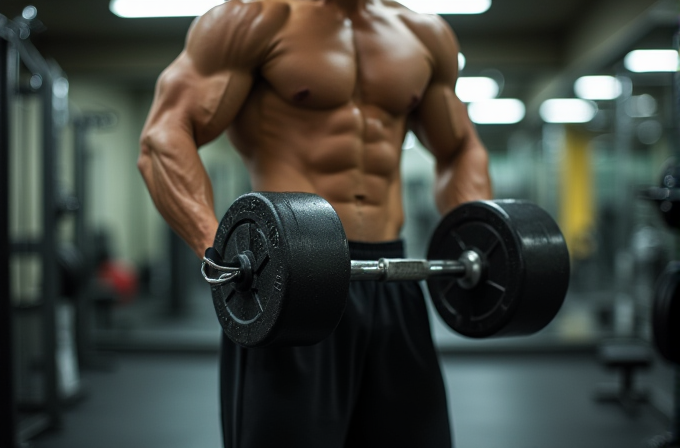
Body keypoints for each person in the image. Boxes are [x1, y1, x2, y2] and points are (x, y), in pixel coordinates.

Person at [138, 0, 492, 446]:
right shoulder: (255, 18)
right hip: (293, 280)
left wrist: (480, 233)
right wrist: (222, 253)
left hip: (395, 281)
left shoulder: (423, 33)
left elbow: (461, 148)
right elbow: (163, 138)